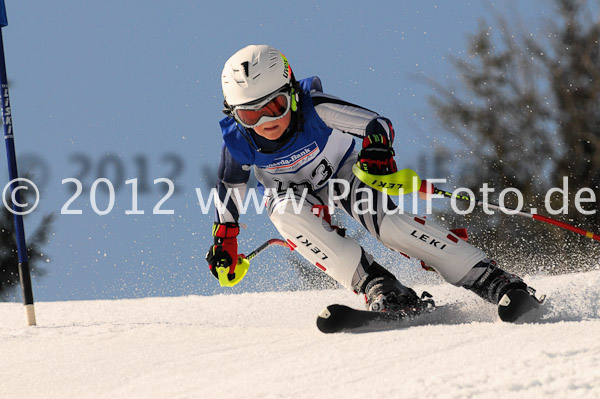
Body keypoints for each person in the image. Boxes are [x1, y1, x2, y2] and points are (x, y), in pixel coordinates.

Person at [206, 44, 540, 320]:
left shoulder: (314, 108)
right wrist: (226, 237)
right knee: (282, 213)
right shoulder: (239, 142)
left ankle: (489, 277)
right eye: (250, 115)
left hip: (344, 174)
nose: (266, 121)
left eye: (275, 107)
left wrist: (378, 150)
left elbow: (376, 124)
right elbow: (230, 188)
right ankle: (380, 286)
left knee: (391, 225)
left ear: (291, 94)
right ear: (235, 114)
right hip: (291, 194)